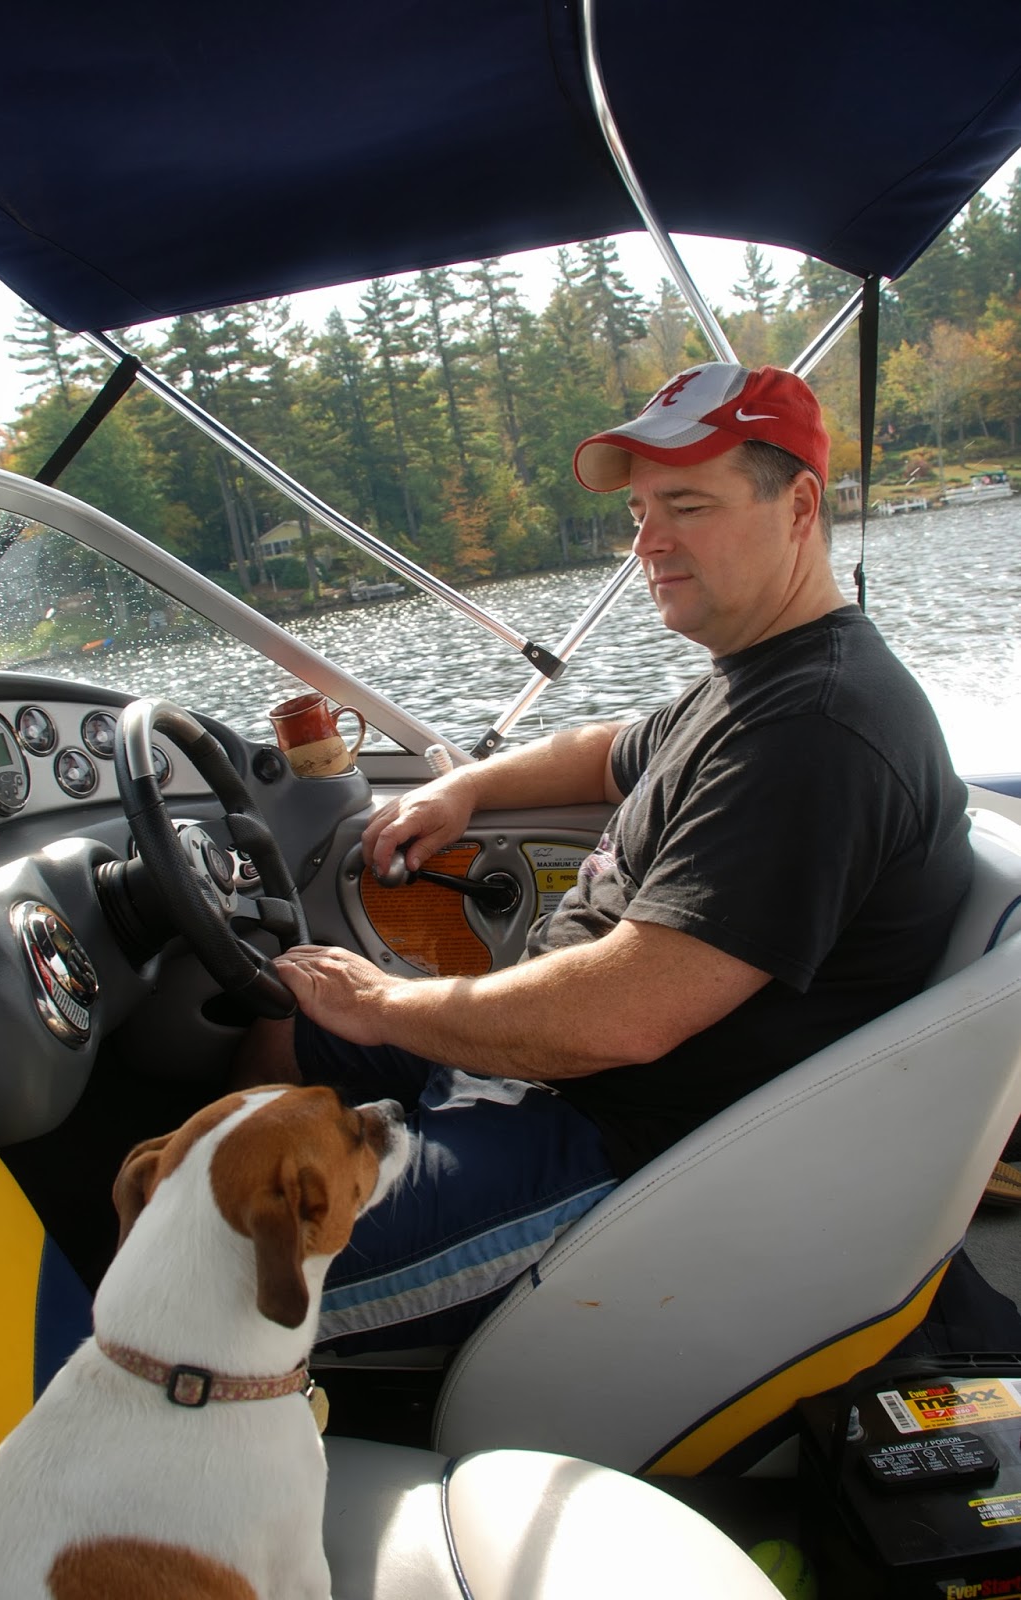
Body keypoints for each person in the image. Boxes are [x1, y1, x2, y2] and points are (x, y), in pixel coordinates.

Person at [247, 362, 973, 1355]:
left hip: (626, 1153)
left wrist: (381, 1005)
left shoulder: (817, 728)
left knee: (227, 1282)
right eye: (640, 511)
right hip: (550, 1071)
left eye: (687, 506)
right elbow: (604, 750)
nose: (646, 543)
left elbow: (623, 1017)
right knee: (286, 1014)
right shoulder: (758, 678)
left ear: (800, 506)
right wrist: (465, 789)